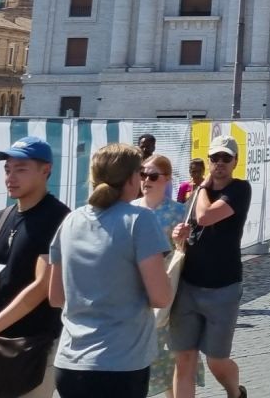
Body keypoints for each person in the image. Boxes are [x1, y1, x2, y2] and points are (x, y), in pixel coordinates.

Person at [50, 143, 175, 398]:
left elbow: (55, 296)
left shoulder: (71, 220)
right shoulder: (139, 220)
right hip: (120, 362)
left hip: (70, 362)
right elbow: (160, 296)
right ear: (132, 179)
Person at [0, 136, 71, 398]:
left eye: (21, 169)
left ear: (46, 170)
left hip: (35, 344)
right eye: (8, 169)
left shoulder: (58, 217)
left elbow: (42, 286)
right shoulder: (0, 217)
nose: (10, 177)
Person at [169, 135, 251, 398]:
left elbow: (205, 216)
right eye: (215, 158)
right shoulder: (195, 195)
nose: (220, 163)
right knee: (184, 359)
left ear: (235, 161)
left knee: (216, 360)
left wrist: (202, 187)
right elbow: (190, 231)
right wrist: (177, 235)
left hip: (223, 287)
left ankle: (235, 392)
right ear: (208, 160)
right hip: (189, 285)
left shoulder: (239, 189)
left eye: (226, 158)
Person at [134, 154, 197, 396]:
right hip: (136, 295)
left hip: (168, 295)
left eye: (152, 176)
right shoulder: (130, 209)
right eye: (142, 174)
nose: (146, 180)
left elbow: (188, 254)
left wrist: (182, 241)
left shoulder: (178, 213)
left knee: (170, 362)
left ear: (167, 179)